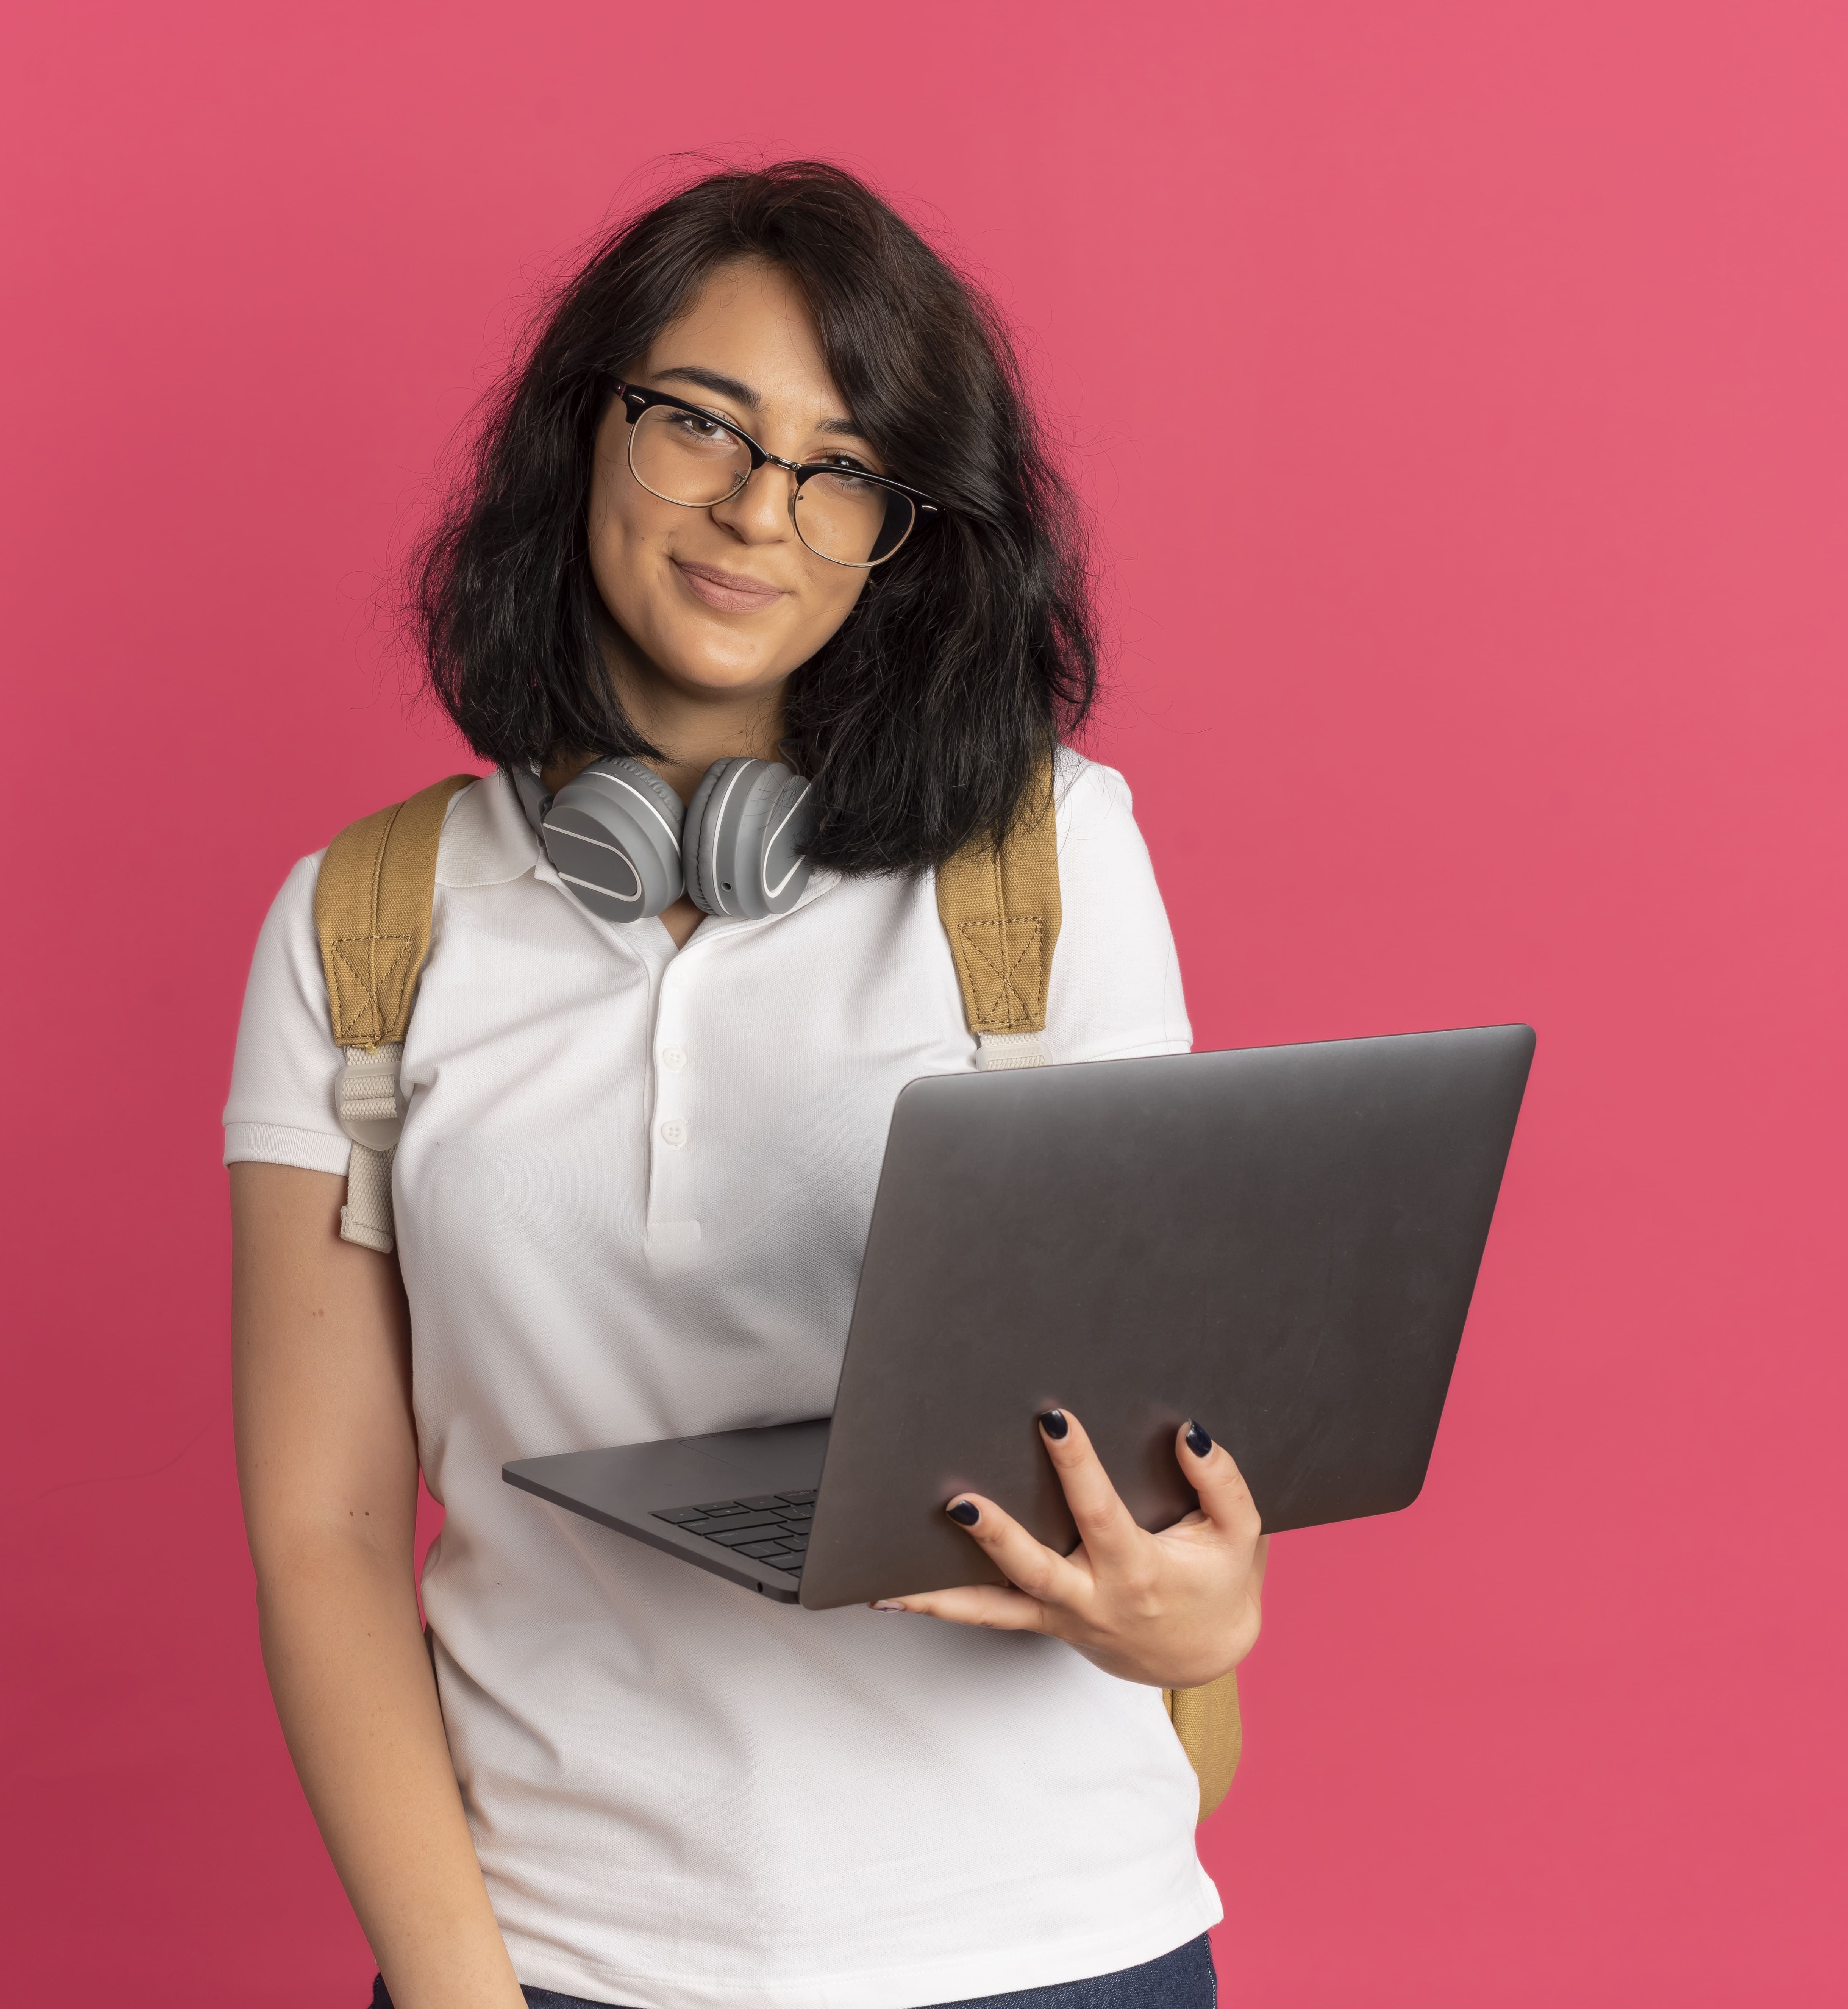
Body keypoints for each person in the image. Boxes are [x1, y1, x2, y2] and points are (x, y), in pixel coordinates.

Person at [228, 162, 1265, 2009]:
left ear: (906, 530)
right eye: (698, 423)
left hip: (1048, 1949)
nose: (754, 511)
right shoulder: (362, 923)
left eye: (841, 466)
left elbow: (1148, 1460)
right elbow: (320, 1528)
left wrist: (1203, 1608)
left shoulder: (1047, 865)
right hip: (554, 1956)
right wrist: (465, 1994)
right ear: (584, 433)